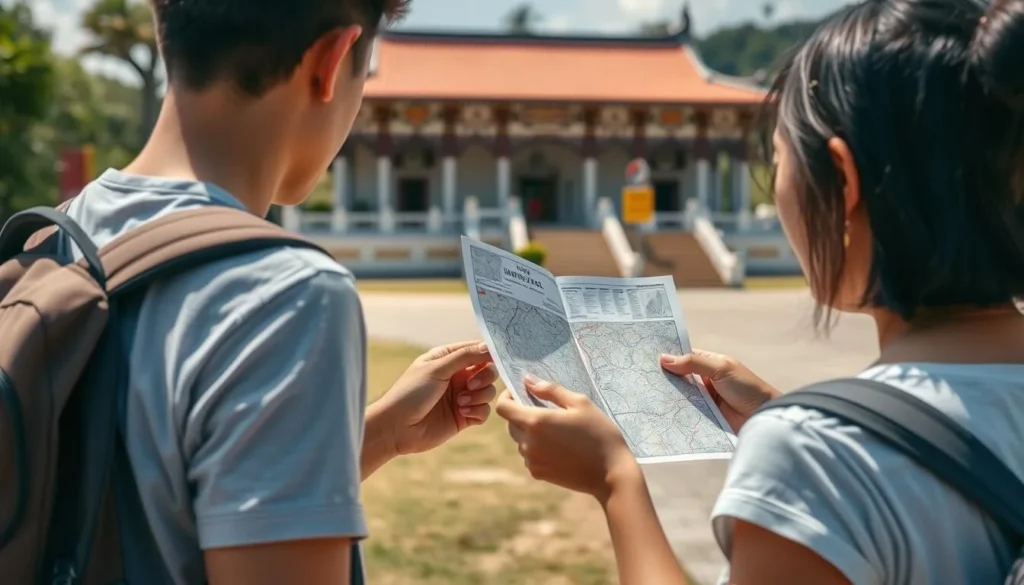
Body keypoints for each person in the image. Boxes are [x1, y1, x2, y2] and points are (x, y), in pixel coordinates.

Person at [497, 0, 1024, 584]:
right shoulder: (823, 446)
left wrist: (615, 478)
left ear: (841, 180)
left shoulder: (813, 458)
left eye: (777, 161)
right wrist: (786, 414)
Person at [55, 1, 499, 584]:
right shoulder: (287, 295)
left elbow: (141, 494)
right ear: (331, 61)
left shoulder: (51, 236)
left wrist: (384, 432)